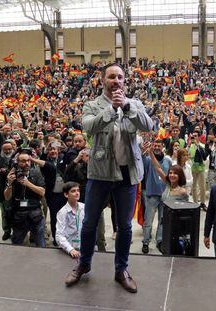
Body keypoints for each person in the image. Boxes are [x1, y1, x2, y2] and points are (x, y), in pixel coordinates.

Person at [64, 63, 153, 293]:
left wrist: (126, 106)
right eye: (112, 76)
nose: (116, 80)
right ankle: (83, 265)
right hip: (100, 174)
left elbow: (148, 125)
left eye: (120, 77)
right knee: (89, 223)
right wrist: (111, 110)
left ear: (125, 81)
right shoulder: (92, 105)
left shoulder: (134, 103)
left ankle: (121, 270)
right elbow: (89, 128)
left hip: (127, 175)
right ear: (103, 79)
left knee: (124, 226)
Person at [4, 149, 46, 247]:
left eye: (28, 161)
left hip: (35, 214)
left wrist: (28, 184)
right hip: (18, 215)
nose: (26, 163)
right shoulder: (12, 176)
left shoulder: (36, 173)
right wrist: (9, 184)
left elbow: (42, 192)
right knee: (17, 245)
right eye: (23, 161)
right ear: (17, 162)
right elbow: (6, 197)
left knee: (41, 245)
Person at [141, 139, 172, 254]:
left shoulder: (167, 161)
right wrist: (142, 151)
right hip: (151, 195)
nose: (157, 148)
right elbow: (140, 163)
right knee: (148, 221)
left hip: (164, 195)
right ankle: (145, 242)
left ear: (163, 146)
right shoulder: (148, 160)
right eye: (155, 146)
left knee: (162, 220)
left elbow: (170, 176)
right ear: (152, 147)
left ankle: (160, 241)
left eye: (159, 146)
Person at [56, 182, 85, 258]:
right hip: (70, 248)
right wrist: (70, 249)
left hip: (83, 248)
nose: (77, 193)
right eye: (73, 191)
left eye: (78, 190)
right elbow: (59, 235)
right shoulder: (63, 212)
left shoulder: (84, 207)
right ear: (66, 194)